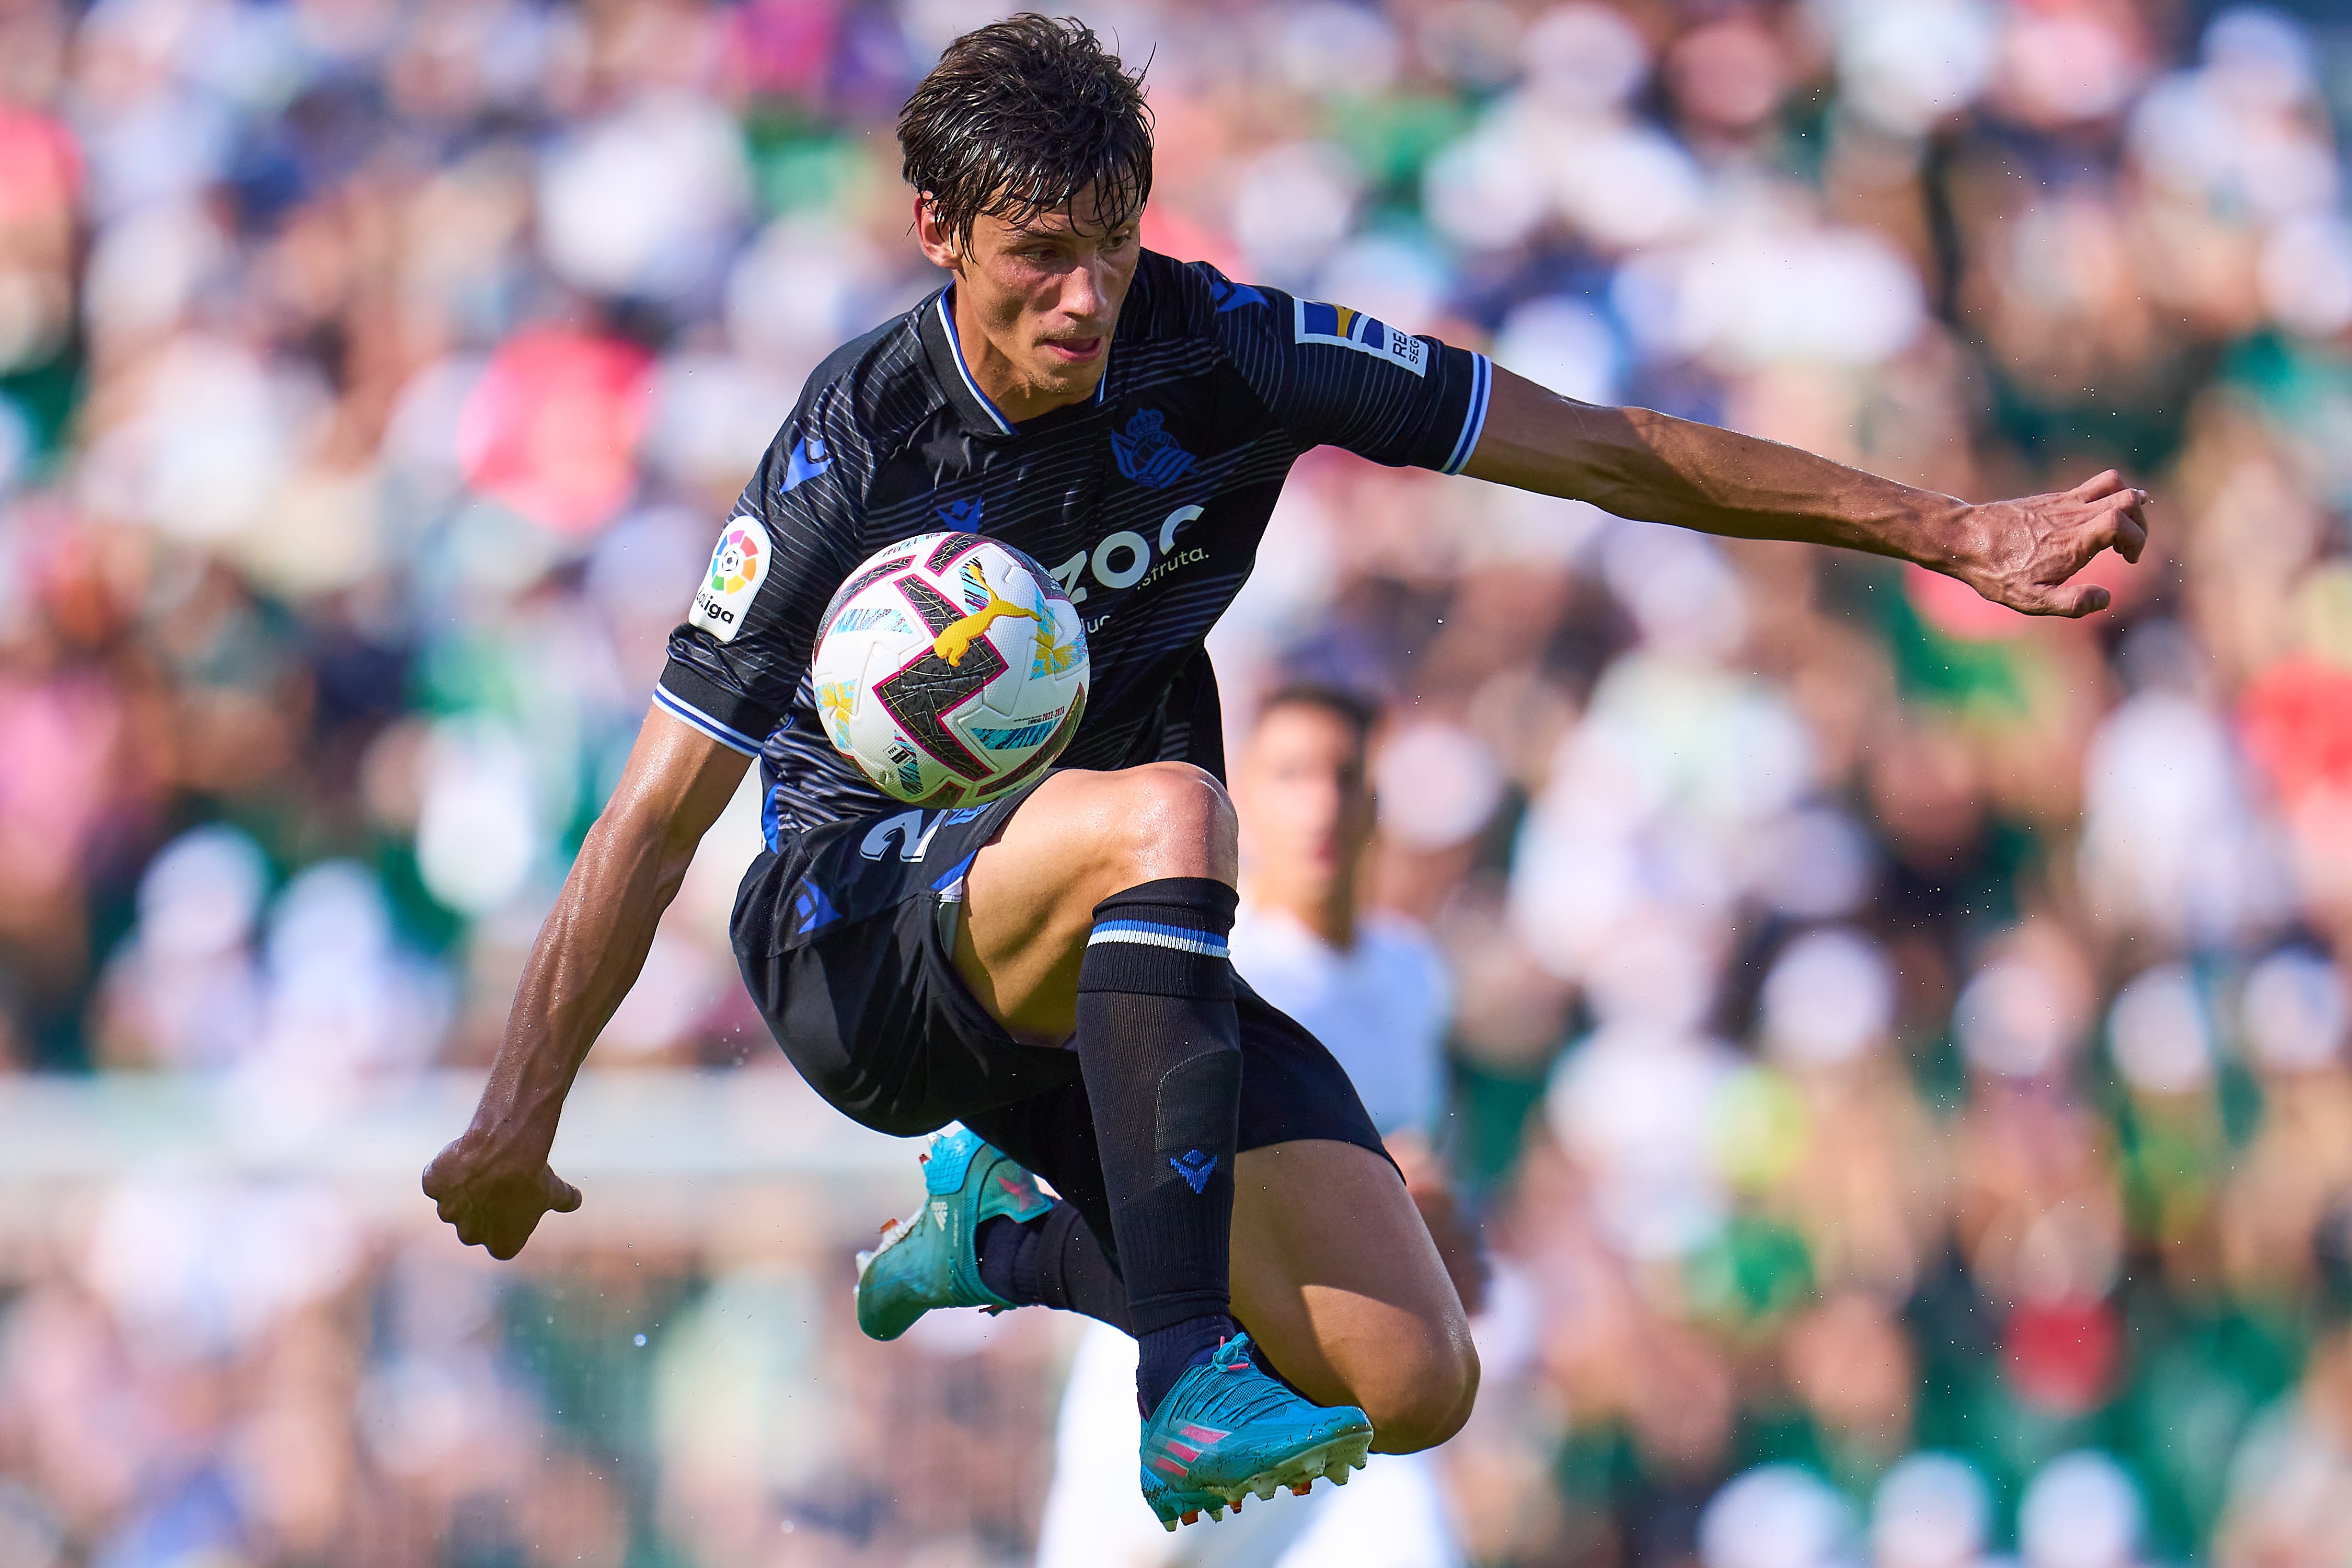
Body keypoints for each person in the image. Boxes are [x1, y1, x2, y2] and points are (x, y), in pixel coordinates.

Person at [421, 14, 2150, 1531]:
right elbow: (656, 814)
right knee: (1176, 807)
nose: (1085, 296)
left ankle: (998, 1248)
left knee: (1414, 1377)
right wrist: (519, 1115)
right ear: (936, 229)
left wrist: (1949, 531)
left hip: (1090, 957)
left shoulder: (1233, 353)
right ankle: (1182, 1380)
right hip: (851, 940)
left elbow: (1610, 454)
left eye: (1112, 242)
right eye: (1039, 254)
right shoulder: (849, 443)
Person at [1035, 684, 1478, 1567]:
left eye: (1343, 775)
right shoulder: (1200, 973)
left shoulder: (1411, 976)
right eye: (1290, 774)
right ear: (1247, 803)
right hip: (1185, 1378)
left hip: (1329, 1396)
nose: (1320, 801)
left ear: (1376, 805)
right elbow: (1118, 1172)